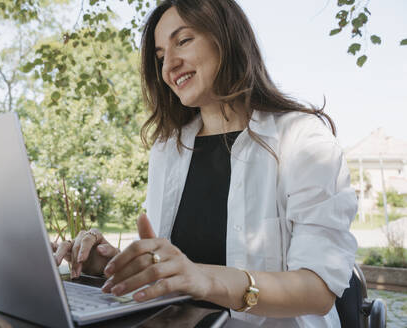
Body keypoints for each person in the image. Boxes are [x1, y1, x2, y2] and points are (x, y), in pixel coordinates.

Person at [52, 0, 358, 326]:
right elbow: (166, 268)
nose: (169, 65)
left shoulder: (302, 140)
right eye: (159, 58)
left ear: (227, 39)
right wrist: (111, 266)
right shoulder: (167, 148)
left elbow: (318, 289)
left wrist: (205, 279)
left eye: (183, 41)